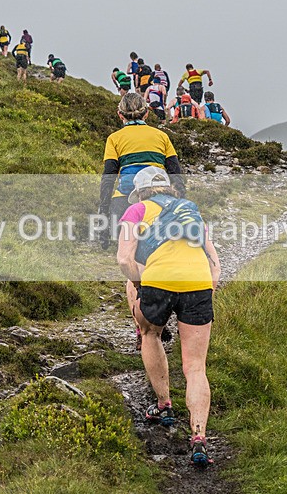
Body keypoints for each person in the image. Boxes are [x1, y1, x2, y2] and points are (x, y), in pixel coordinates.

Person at [116, 166, 221, 467]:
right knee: (196, 366)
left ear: (139, 192)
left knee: (150, 333)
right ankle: (199, 437)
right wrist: (204, 290)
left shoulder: (136, 210)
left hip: (158, 281)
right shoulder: (191, 211)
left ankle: (164, 406)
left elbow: (124, 259)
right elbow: (215, 265)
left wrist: (139, 284)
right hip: (198, 283)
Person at [99, 93, 186, 349]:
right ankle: (162, 317)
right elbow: (176, 174)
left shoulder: (114, 139)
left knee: (134, 265)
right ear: (147, 114)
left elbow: (107, 178)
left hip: (124, 201)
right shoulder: (161, 137)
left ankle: (141, 329)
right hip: (161, 201)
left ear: (120, 115)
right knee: (162, 259)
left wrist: (104, 211)